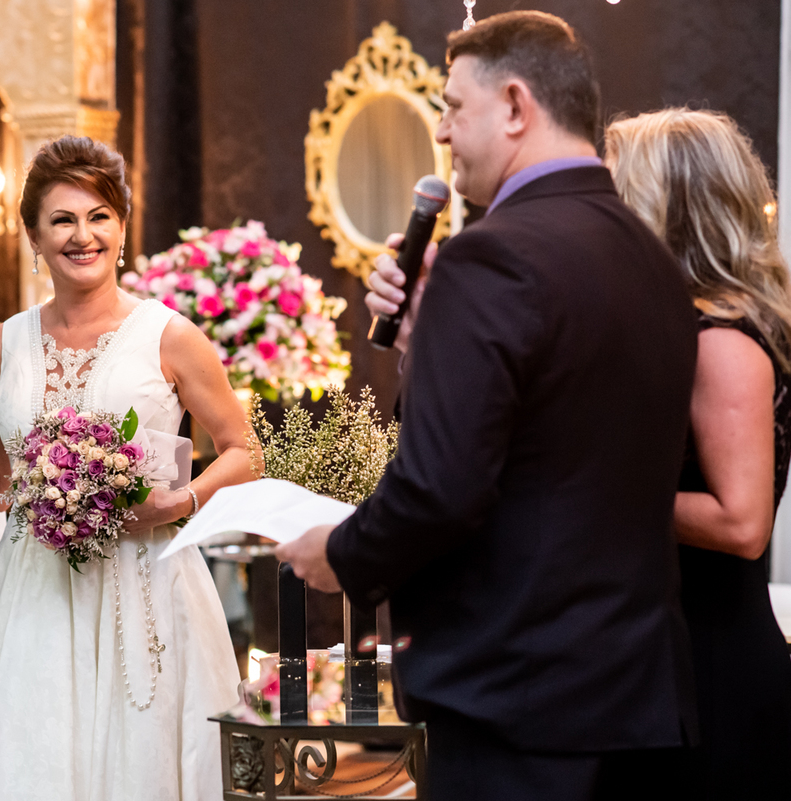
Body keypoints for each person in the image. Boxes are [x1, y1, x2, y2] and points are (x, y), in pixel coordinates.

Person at [276, 12, 700, 800]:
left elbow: (442, 484)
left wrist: (339, 553)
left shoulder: (492, 255)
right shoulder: (651, 260)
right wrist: (423, 345)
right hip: (636, 697)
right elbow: (563, 442)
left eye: (452, 108)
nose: (440, 133)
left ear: (514, 105)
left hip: (516, 697)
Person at [0, 135, 255, 800]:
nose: (82, 235)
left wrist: (174, 503)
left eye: (99, 216)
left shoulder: (171, 336)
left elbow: (244, 452)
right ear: (33, 235)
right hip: (33, 590)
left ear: (123, 227)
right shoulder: (0, 343)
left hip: (146, 589)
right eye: (62, 220)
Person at [604, 108, 791, 800]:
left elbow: (742, 524)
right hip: (663, 669)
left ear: (669, 208)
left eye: (617, 190)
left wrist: (595, 494)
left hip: (715, 677)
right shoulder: (678, 322)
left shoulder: (723, 339)